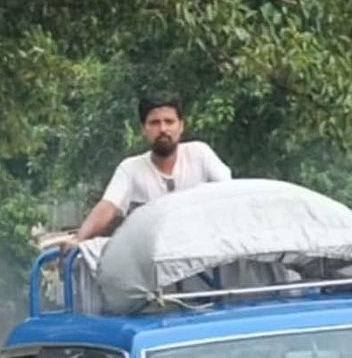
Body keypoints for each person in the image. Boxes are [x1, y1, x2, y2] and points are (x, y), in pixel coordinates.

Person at [65, 93, 233, 251]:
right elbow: (109, 206)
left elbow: (229, 194)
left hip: (203, 257)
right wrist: (79, 239)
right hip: (153, 263)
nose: (163, 129)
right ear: (143, 129)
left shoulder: (200, 154)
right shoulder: (130, 168)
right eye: (155, 123)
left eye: (169, 121)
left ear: (181, 126)